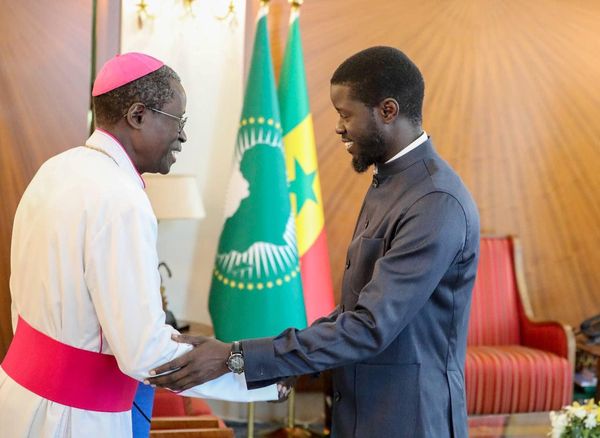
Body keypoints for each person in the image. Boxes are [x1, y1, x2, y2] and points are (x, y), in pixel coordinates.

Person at [148, 46, 480, 437]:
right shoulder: (391, 182)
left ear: (387, 111)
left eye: (345, 114)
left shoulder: (434, 201)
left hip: (409, 419)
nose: (339, 128)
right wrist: (268, 357)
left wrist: (235, 357)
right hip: (360, 413)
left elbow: (369, 326)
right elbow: (351, 312)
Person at [0, 52, 277, 438]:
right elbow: (146, 354)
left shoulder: (56, 168)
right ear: (137, 115)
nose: (183, 135)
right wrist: (258, 374)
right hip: (76, 419)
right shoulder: (121, 200)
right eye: (178, 120)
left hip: (19, 396)